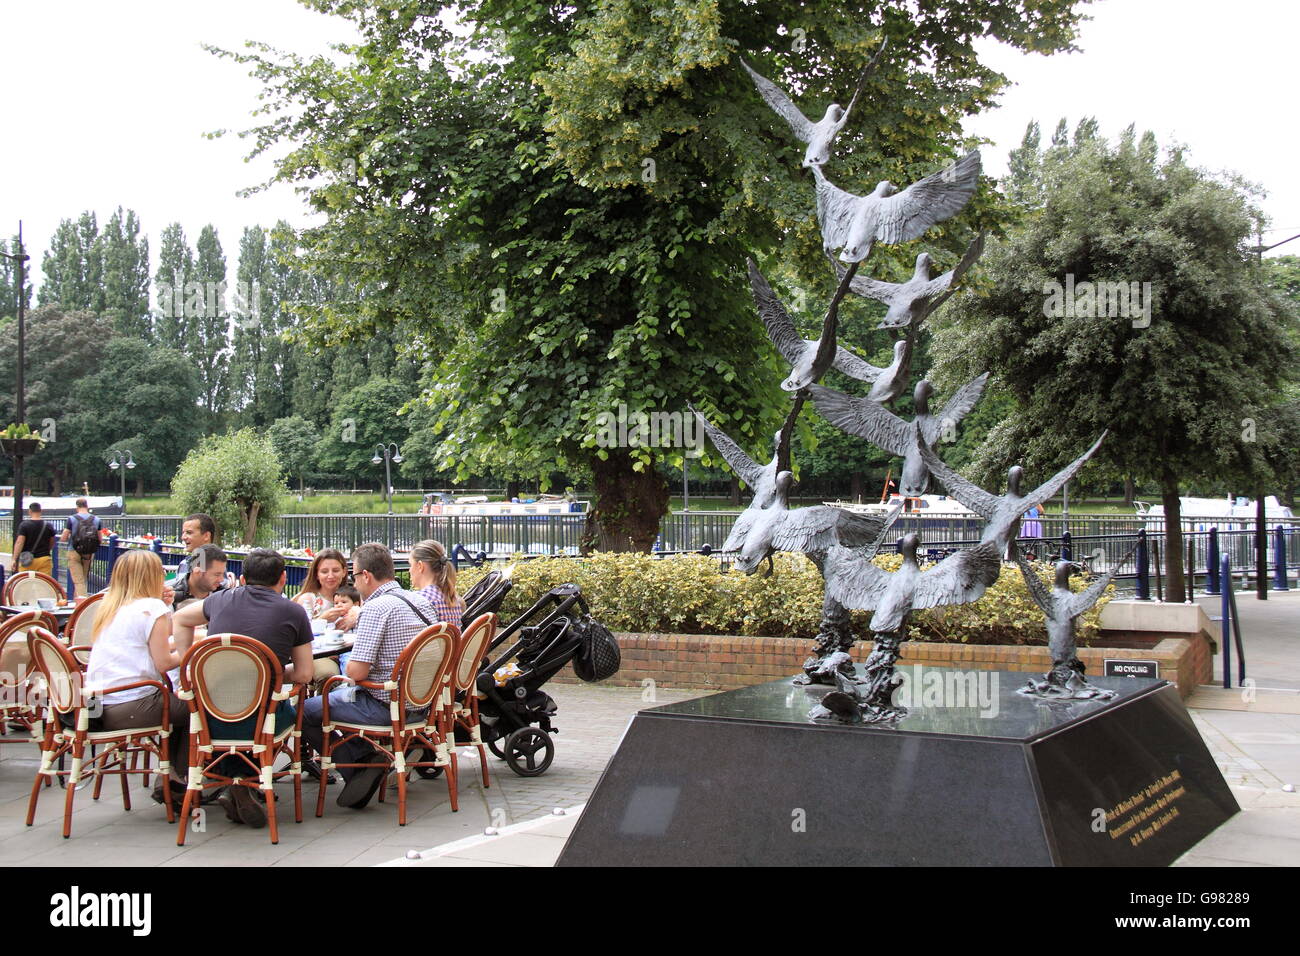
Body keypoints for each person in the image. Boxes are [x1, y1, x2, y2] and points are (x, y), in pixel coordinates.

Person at [172, 548, 314, 826]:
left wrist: (189, 668)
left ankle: (234, 783)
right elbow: (304, 674)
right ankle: (244, 783)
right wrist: (270, 673)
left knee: (234, 719)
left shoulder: (218, 600)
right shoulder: (293, 612)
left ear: (243, 579)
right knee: (278, 712)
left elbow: (179, 618)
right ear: (283, 578)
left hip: (210, 717)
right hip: (261, 719)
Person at [300, 543, 438, 810]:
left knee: (304, 711)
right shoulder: (421, 601)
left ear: (366, 575)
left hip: (385, 706)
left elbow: (356, 672)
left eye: (354, 576)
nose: (354, 582)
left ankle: (360, 766)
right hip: (422, 705)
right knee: (341, 695)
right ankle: (366, 762)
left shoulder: (375, 608)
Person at [82, 549, 189, 809]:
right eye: (160, 571)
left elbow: (148, 644)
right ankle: (178, 779)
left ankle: (172, 776)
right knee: (198, 707)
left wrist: (165, 607)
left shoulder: (110, 605)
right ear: (150, 575)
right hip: (129, 705)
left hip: (95, 706)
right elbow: (164, 662)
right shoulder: (151, 608)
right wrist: (191, 650)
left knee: (178, 705)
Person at [293, 549, 359, 630]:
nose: (330, 576)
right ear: (316, 574)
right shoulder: (308, 599)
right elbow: (300, 631)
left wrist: (356, 618)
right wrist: (322, 619)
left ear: (344, 572)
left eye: (335, 571)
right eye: (324, 572)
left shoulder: (355, 594)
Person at [408, 539, 465, 625]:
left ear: (420, 566)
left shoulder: (418, 600)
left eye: (410, 565)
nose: (409, 570)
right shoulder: (454, 600)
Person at [59, 498, 105, 599]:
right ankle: (77, 603)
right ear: (87, 506)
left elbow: (63, 538)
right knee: (83, 580)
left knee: (78, 581)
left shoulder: (71, 519)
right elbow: (100, 539)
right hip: (89, 553)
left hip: (74, 551)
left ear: (77, 507)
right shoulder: (97, 519)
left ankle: (83, 604)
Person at [168, 543, 227, 609]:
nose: (221, 579)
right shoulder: (170, 597)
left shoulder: (224, 597)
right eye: (217, 574)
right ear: (197, 571)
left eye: (222, 574)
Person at [11, 502, 56, 578]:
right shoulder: (48, 525)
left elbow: (19, 542)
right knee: (44, 582)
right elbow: (52, 542)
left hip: (27, 560)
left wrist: (14, 559)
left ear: (30, 511)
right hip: (44, 559)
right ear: (40, 511)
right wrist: (46, 550)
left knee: (25, 582)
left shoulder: (24, 525)